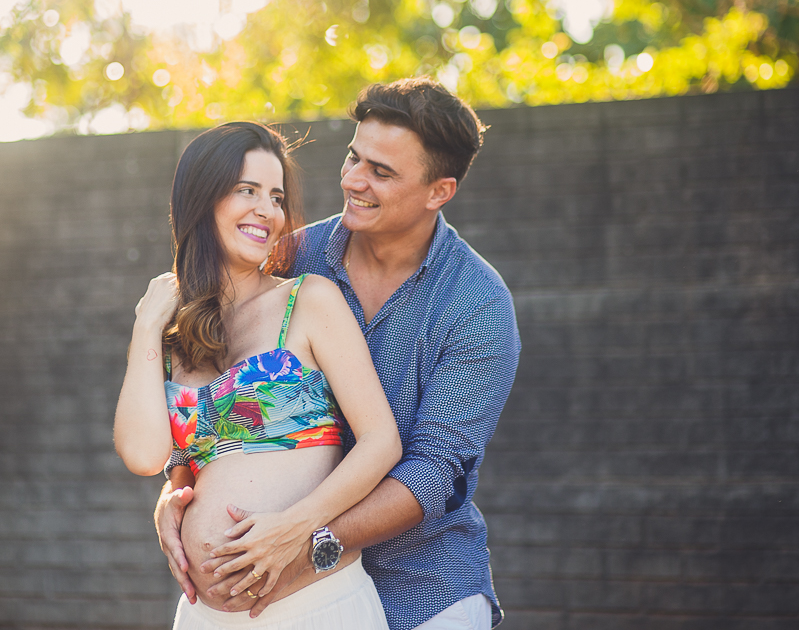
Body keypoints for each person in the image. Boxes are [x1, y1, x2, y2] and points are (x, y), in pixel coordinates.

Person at [156, 78, 521, 630]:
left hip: (425, 586)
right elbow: (219, 390)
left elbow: (432, 474)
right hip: (277, 586)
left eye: (381, 172)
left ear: (438, 191)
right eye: (354, 157)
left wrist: (304, 538)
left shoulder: (478, 305)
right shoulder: (290, 256)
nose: (352, 180)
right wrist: (177, 491)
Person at [114, 121, 404, 629]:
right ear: (203, 199)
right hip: (204, 618)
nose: (268, 212)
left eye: (276, 196)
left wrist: (297, 526)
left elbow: (382, 443)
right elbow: (143, 456)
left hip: (316, 607)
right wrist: (146, 323)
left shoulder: (308, 300)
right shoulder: (176, 331)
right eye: (246, 190)